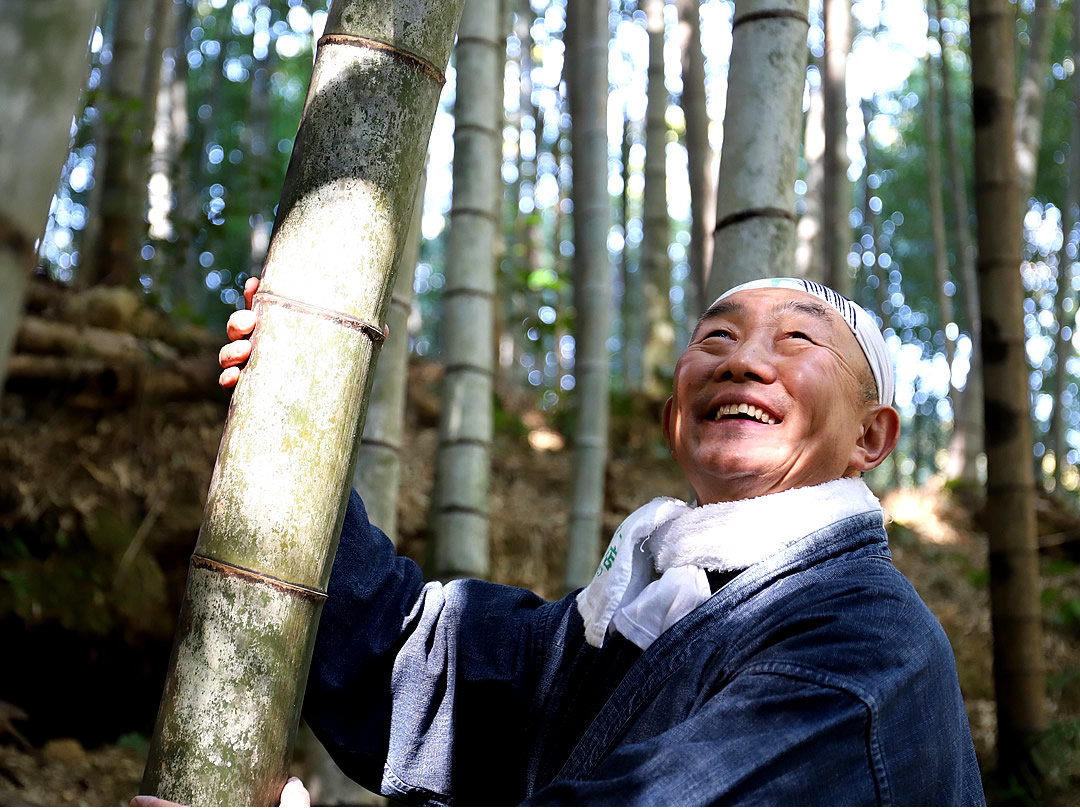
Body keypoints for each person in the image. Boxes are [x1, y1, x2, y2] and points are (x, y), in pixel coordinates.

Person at [214, 276, 984, 805]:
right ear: (674, 416)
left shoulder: (865, 643)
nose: (744, 361)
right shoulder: (647, 608)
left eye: (796, 341)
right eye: (716, 337)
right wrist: (284, 423)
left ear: (872, 436)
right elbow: (420, 664)